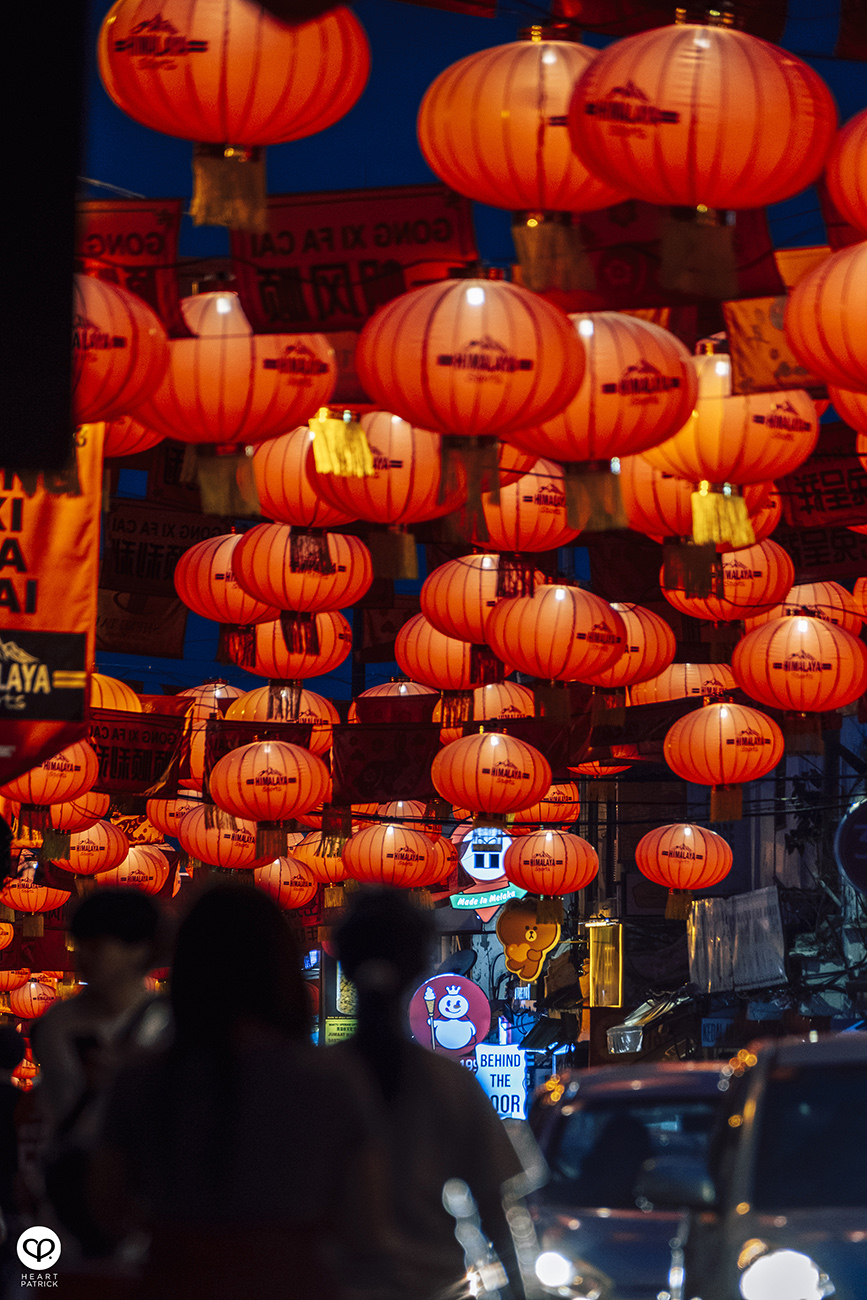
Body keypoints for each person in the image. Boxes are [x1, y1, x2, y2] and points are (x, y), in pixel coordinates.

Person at [93, 882, 391, 1300]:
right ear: (282, 969)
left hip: (176, 1282)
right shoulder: (332, 1079)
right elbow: (368, 1225)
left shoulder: (140, 1077)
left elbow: (106, 1209)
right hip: (295, 1284)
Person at [332, 887, 530, 1300]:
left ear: (346, 963)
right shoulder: (449, 1083)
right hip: (431, 1284)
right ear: (421, 966)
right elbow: (497, 1213)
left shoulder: (315, 1080)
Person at [30, 888, 170, 1259]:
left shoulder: (169, 1026)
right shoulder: (54, 1026)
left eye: (98, 945)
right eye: (81, 944)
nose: (85, 956)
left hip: (146, 1187)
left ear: (139, 949)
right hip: (70, 1184)